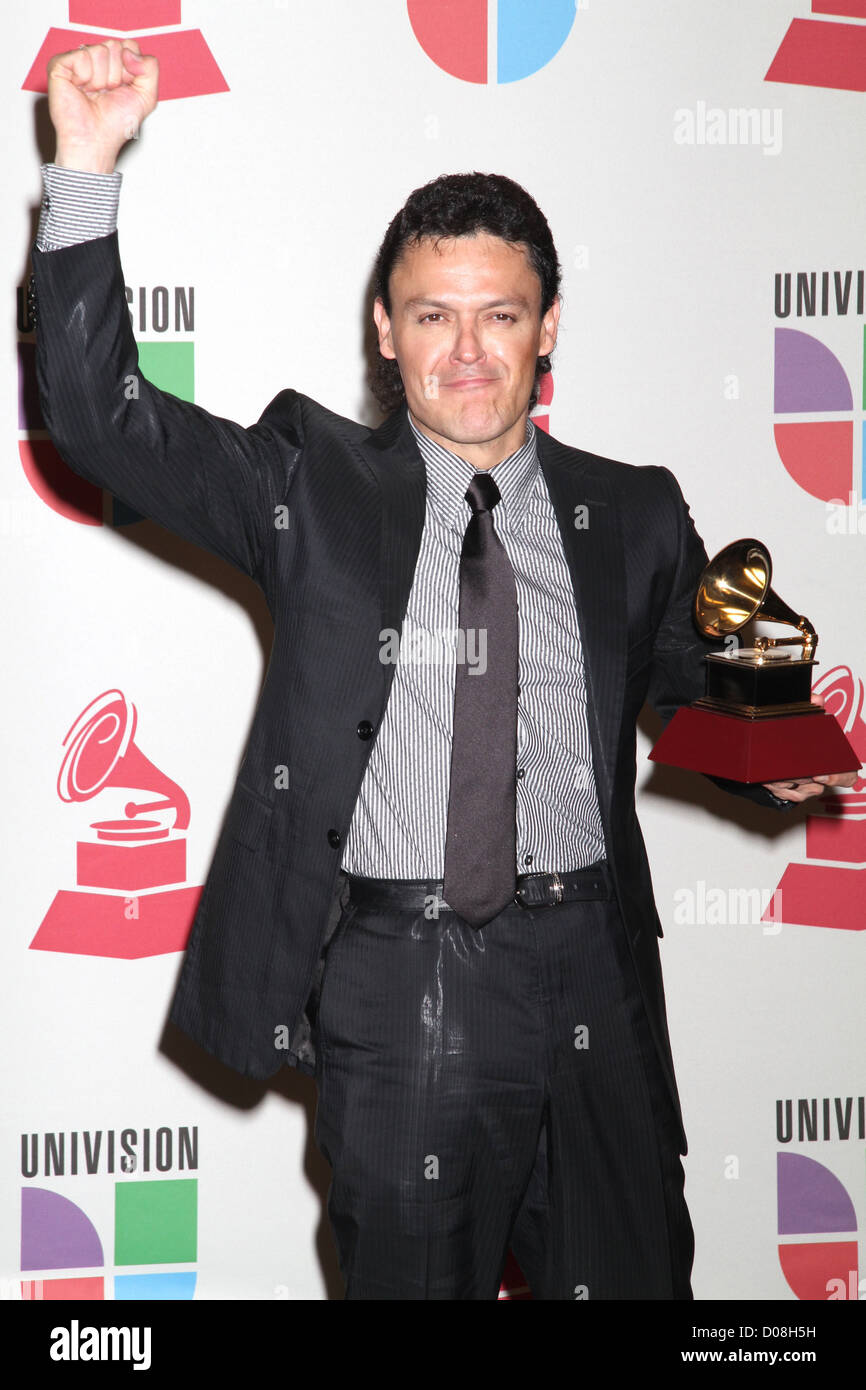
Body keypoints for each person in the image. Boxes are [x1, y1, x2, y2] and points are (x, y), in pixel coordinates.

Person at [29, 39, 857, 1300]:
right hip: (396, 979)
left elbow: (697, 680)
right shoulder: (306, 480)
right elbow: (99, 418)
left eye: (499, 314)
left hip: (595, 972)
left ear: (546, 329)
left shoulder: (631, 511)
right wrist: (86, 167)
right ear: (384, 328)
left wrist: (778, 753)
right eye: (432, 315)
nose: (465, 352)